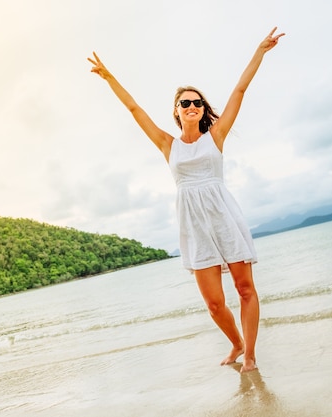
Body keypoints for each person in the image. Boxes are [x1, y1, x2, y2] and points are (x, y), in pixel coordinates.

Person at [88, 27, 284, 372]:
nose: (192, 106)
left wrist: (260, 52)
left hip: (223, 215)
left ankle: (250, 354)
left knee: (244, 288)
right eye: (185, 103)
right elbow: (135, 109)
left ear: (202, 109)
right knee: (213, 303)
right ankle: (235, 343)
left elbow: (240, 89)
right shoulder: (168, 144)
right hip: (193, 225)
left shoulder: (216, 135)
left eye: (197, 102)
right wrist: (109, 77)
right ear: (177, 111)